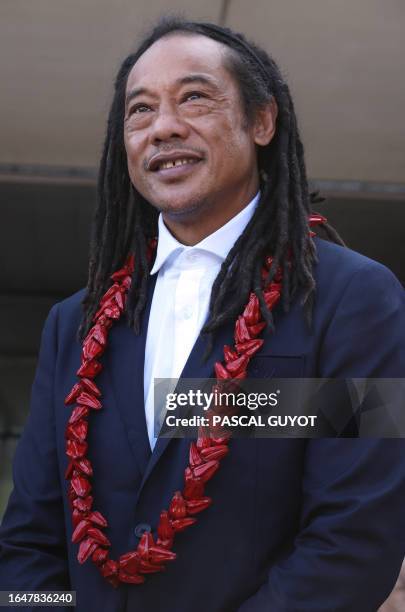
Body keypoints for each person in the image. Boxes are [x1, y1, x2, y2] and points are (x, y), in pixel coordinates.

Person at [1, 17, 404, 612]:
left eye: (194, 97)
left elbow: (354, 541)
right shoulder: (75, 325)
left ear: (262, 121)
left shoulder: (355, 298)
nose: (164, 127)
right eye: (139, 111)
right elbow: (28, 547)